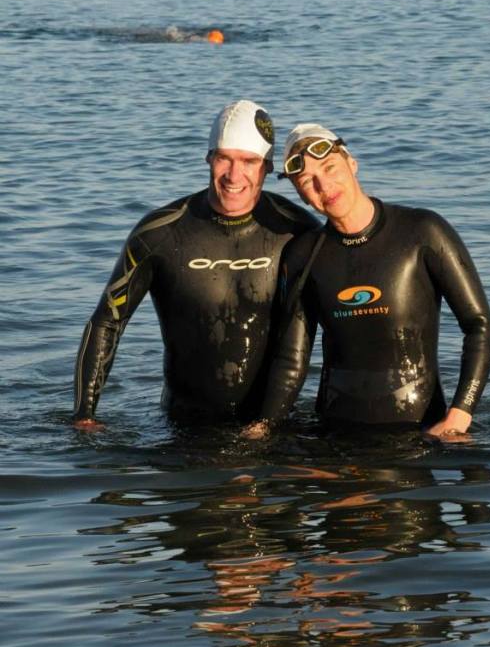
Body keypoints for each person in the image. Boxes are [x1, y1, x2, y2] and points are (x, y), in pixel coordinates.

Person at [72, 101, 318, 430]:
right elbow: (107, 322)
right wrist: (84, 416)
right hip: (183, 426)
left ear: (268, 167)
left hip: (274, 425)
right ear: (208, 158)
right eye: (224, 158)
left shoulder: (297, 231)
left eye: (249, 161)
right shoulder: (159, 233)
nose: (234, 175)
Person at [245, 123, 490, 439]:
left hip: (419, 434)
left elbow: (479, 325)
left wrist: (460, 414)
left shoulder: (422, 232)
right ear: (301, 195)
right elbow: (291, 360)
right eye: (307, 181)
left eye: (330, 167)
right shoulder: (303, 255)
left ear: (352, 163)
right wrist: (265, 426)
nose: (324, 185)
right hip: (334, 437)